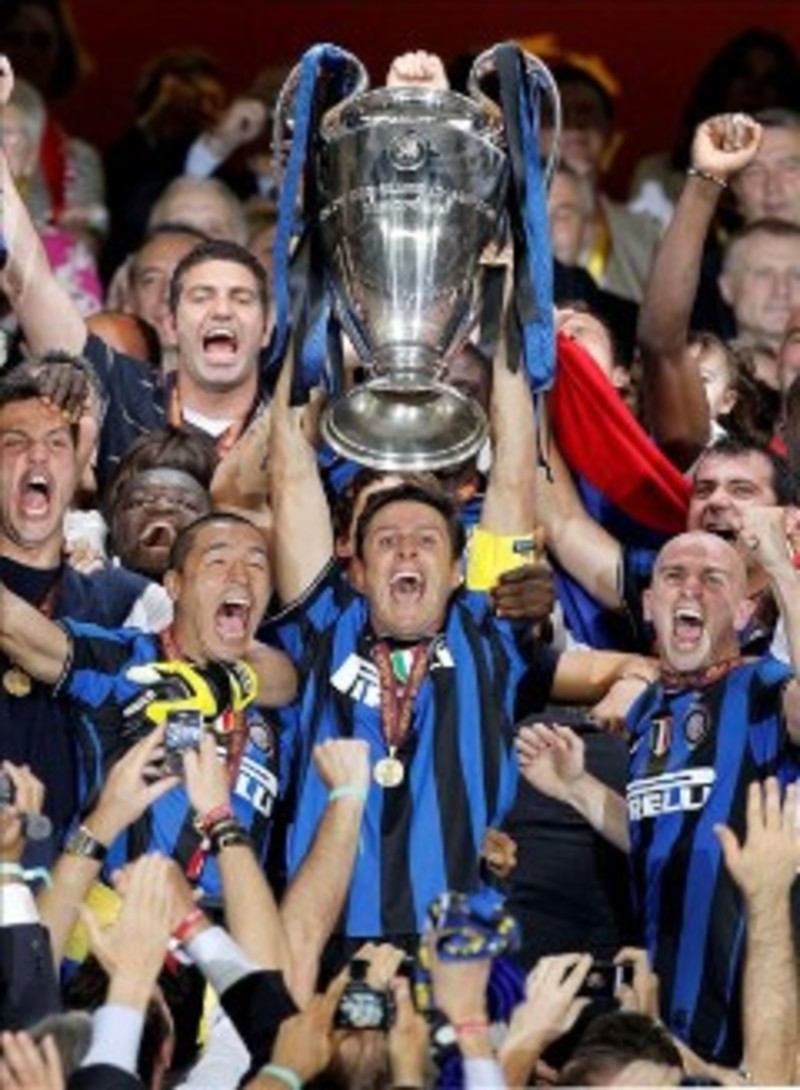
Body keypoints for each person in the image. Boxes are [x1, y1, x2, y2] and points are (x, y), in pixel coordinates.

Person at [268, 290, 659, 965]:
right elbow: (290, 470)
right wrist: (309, 296)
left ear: (458, 571)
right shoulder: (324, 623)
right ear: (355, 569)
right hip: (322, 939)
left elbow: (512, 472)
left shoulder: (487, 628)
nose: (407, 550)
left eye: (426, 540)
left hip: (456, 946)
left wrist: (508, 296)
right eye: (386, 541)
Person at [517, 521, 800, 1065]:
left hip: (754, 996)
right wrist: (577, 789)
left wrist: (783, 574)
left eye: (713, 579)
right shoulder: (648, 710)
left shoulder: (762, 686)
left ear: (744, 612)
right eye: (674, 575)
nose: (690, 587)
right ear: (649, 605)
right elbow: (655, 832)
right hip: (667, 993)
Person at [0, 510, 297, 900]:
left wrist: (225, 683)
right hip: (121, 916)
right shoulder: (122, 662)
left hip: (233, 926)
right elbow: (12, 625)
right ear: (173, 585)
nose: (240, 576)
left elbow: (289, 678)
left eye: (257, 565)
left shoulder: (279, 703)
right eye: (218, 561)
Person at [0, 366, 172, 849]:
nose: (38, 455)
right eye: (15, 442)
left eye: (57, 443)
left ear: (78, 466)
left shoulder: (127, 601)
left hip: (80, 871)